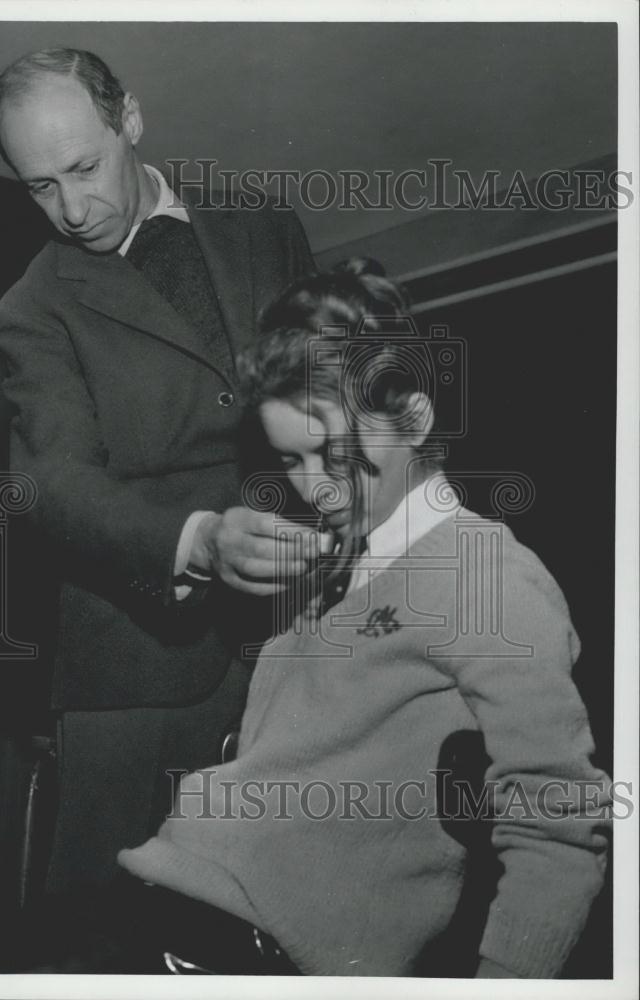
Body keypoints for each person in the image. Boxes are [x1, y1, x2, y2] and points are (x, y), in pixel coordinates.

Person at [114, 258, 612, 977]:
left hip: (259, 952)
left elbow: (559, 822)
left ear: (412, 415)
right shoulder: (333, 566)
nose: (316, 488)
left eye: (336, 454)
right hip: (166, 899)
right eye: (291, 460)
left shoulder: (487, 575)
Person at [0, 47, 315, 897]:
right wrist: (196, 539)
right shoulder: (31, 308)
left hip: (304, 643)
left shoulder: (265, 229)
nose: (71, 207)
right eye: (40, 186)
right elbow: (52, 479)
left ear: (129, 118)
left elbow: (334, 391)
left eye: (84, 168)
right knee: (109, 933)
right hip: (136, 664)